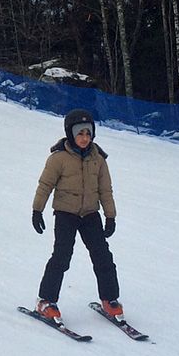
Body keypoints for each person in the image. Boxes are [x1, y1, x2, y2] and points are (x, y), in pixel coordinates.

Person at [32, 108, 122, 323]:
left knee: (103, 257)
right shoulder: (58, 158)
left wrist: (110, 216)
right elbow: (45, 186)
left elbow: (105, 190)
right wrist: (37, 210)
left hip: (90, 214)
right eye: (80, 133)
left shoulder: (98, 159)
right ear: (70, 133)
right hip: (66, 214)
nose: (84, 138)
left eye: (88, 134)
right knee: (62, 257)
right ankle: (46, 300)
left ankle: (109, 299)